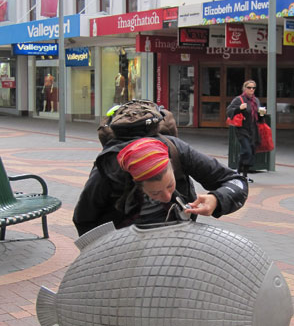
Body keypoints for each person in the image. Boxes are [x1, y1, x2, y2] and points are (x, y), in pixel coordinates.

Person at [73, 135, 248, 236]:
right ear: (136, 183)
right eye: (155, 193)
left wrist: (217, 199)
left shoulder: (179, 151)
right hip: (125, 249)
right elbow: (84, 220)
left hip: (175, 242)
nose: (167, 197)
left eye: (170, 186)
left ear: (171, 163)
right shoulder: (107, 174)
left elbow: (237, 181)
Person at [226, 80, 266, 181]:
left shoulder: (256, 101)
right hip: (242, 129)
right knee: (247, 151)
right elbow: (229, 111)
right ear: (244, 88)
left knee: (251, 151)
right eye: (249, 87)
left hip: (253, 129)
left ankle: (243, 174)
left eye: (253, 88)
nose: (251, 90)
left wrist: (262, 114)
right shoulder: (239, 99)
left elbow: (259, 118)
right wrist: (239, 108)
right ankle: (239, 172)